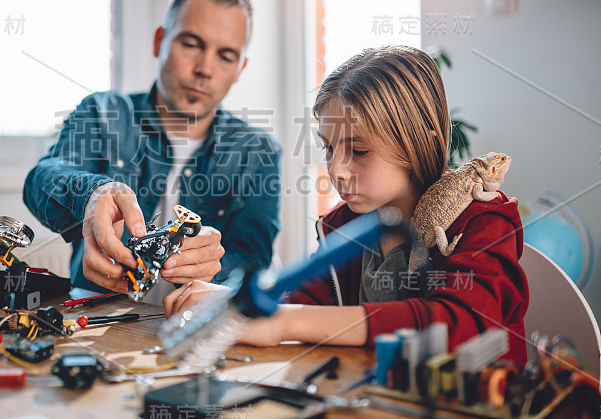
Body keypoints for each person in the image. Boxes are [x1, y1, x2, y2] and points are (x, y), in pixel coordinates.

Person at [164, 45, 529, 364]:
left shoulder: (484, 220)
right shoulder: (343, 226)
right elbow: (304, 303)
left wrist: (283, 322)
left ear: (420, 141)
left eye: (359, 150)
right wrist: (235, 302)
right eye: (328, 147)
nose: (336, 169)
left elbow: (462, 323)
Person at [23, 0, 282, 298]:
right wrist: (93, 194)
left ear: (240, 68)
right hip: (96, 317)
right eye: (191, 44)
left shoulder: (259, 152)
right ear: (159, 41)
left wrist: (216, 267)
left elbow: (254, 263)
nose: (205, 68)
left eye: (225, 56)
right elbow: (39, 180)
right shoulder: (101, 113)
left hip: (196, 330)